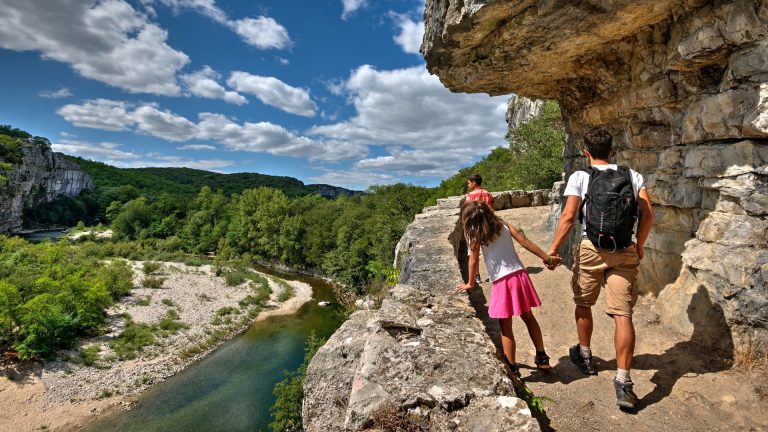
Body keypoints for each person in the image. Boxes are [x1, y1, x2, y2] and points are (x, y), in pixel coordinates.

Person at [547, 128, 654, 410]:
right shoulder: (633, 176)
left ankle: (584, 355)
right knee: (622, 314)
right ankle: (623, 382)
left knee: (583, 303)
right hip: (624, 249)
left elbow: (569, 216)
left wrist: (554, 248)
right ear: (612, 150)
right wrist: (639, 245)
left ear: (586, 152)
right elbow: (647, 214)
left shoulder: (581, 177)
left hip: (591, 249)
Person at [457, 200, 561, 377]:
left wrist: (470, 283)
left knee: (505, 326)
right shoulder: (503, 225)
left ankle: (512, 368)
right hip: (520, 275)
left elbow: (473, 260)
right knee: (528, 317)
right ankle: (542, 357)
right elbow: (525, 242)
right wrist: (547, 258)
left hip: (502, 281)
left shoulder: (475, 237)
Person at [465, 173, 494, 284]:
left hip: (473, 227)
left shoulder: (469, 196)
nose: (468, 185)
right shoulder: (488, 194)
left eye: (469, 182)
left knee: (473, 252)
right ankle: (493, 274)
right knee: (490, 250)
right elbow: (492, 211)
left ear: (474, 182)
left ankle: (477, 277)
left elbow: (467, 214)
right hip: (487, 226)